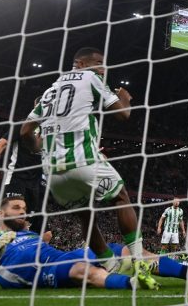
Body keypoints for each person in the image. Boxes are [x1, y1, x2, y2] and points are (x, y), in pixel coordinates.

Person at [20, 47, 151, 278]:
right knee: (121, 197)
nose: (103, 68)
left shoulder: (51, 90)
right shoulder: (90, 77)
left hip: (53, 175)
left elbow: (25, 131)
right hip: (83, 161)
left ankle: (110, 266)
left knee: (85, 216)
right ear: (80, 64)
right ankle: (139, 260)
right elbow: (123, 114)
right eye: (98, 62)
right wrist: (125, 98)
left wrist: (38, 147)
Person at [0, 196, 163, 290]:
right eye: (16, 208)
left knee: (117, 249)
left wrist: (43, 238)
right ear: (0, 214)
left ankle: (180, 271)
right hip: (45, 269)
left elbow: (41, 244)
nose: (22, 212)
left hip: (64, 256)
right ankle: (132, 283)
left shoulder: (28, 233)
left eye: (24, 209)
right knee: (81, 269)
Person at [0, 99, 47, 230]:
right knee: (10, 221)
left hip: (37, 184)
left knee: (30, 227)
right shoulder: (23, 125)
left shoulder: (52, 130)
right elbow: (1, 143)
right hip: (16, 178)